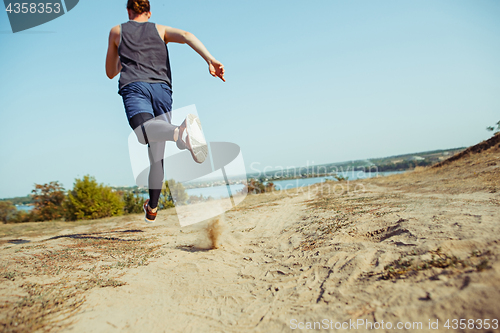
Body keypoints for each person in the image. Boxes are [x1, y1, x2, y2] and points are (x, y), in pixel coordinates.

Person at [105, 0, 225, 223]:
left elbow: (110, 72)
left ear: (129, 11)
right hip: (162, 90)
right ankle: (152, 207)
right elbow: (188, 35)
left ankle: (179, 133)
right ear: (148, 13)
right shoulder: (160, 30)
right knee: (156, 154)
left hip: (135, 87)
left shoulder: (117, 31)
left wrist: (124, 60)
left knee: (143, 133)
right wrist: (210, 59)